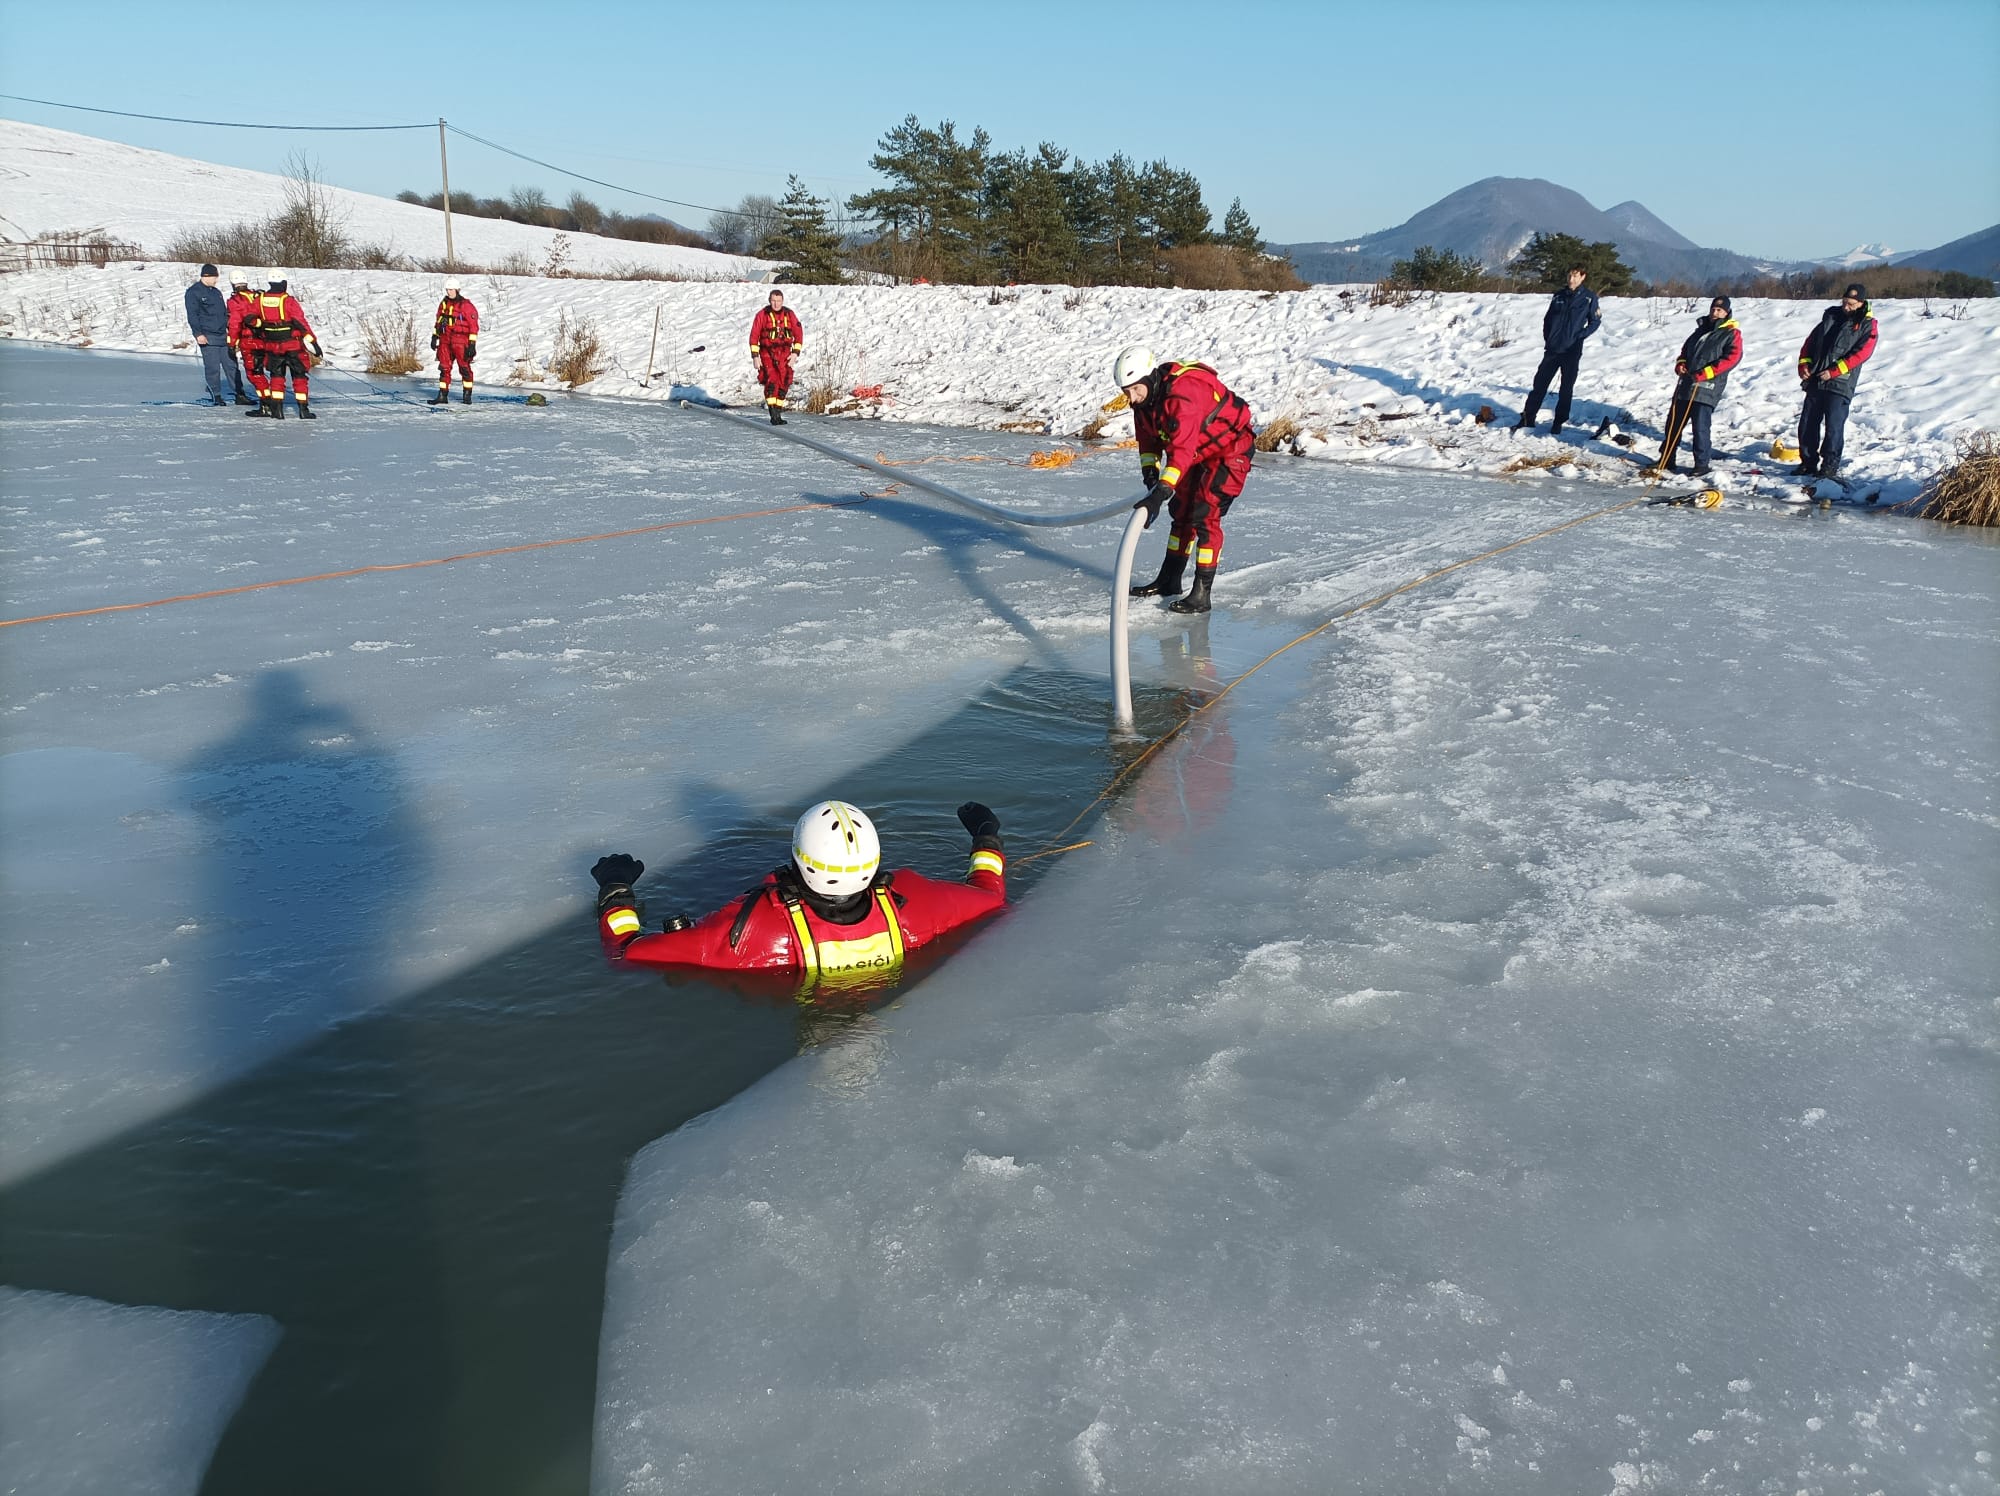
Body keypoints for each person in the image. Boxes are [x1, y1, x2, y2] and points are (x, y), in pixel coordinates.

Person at [591, 799, 1006, 994]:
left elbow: (627, 951)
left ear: (799, 857)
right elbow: (989, 895)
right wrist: (985, 834)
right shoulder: (917, 904)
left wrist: (615, 887)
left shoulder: (748, 933)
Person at [1116, 345, 1256, 615]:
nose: (1132, 398)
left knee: (1205, 514)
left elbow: (1181, 452)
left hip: (1230, 451)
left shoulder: (1183, 396)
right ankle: (1169, 579)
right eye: (1126, 393)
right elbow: (1148, 441)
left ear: (1148, 379)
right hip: (1197, 452)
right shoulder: (1145, 402)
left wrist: (1162, 491)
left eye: (1135, 390)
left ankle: (1202, 594)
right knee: (1181, 512)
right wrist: (1150, 473)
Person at [1794, 282, 1879, 480]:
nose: (1846, 307)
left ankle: (1829, 467)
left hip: (1840, 384)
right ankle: (1807, 463)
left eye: (1850, 304)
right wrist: (1804, 365)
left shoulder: (1868, 325)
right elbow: (1809, 343)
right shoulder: (1830, 318)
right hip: (1816, 380)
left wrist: (1834, 371)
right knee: (1807, 424)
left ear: (1861, 303)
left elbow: (1861, 354)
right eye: (1844, 302)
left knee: (1833, 427)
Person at [1651, 295, 1742, 478]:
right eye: (1713, 309)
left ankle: (1701, 464)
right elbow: (1685, 351)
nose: (1715, 313)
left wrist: (1706, 373)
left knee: (1700, 427)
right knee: (1673, 424)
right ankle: (1667, 458)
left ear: (1726, 313)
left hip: (1707, 387)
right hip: (1686, 383)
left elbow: (1731, 359)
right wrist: (1681, 364)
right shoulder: (1699, 331)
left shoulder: (1731, 334)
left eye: (1719, 310)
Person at [1514, 265, 1602, 437]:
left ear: (1583, 277)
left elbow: (1595, 322)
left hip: (1572, 350)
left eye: (1575, 276)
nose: (1571, 280)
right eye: (1569, 276)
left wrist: (1579, 336)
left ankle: (1558, 422)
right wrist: (1549, 337)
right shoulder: (1558, 296)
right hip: (1553, 349)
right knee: (1539, 385)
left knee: (1566, 388)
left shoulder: (1589, 298)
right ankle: (1528, 418)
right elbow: (1547, 319)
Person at [242, 270, 323, 420]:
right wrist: (313, 342)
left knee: (276, 377)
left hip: (272, 346)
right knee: (299, 377)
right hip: (293, 346)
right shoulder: (288, 301)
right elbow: (300, 323)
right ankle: (303, 411)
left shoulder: (259, 300)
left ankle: (277, 411)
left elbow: (248, 318)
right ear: (284, 283)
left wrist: (261, 325)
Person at [749, 288, 803, 424]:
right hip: (767, 355)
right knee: (771, 382)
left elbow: (798, 335)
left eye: (778, 301)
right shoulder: (762, 315)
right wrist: (755, 357)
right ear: (769, 301)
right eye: (773, 301)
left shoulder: (789, 315)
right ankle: (773, 414)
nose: (776, 304)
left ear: (782, 301)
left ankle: (778, 413)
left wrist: (795, 354)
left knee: (784, 383)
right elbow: (754, 336)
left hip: (785, 356)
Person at [183, 264, 235, 407]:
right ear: (206, 276)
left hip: (222, 335)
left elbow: (223, 313)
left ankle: (239, 393)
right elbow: (192, 315)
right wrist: (198, 333)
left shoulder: (216, 292)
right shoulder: (193, 292)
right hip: (207, 336)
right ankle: (216, 394)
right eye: (215, 277)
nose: (216, 280)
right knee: (213, 368)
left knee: (231, 365)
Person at [429, 277, 479, 406]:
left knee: (464, 368)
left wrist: (472, 344)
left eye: (451, 289)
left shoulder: (466, 306)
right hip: (445, 339)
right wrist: (435, 336)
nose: (449, 292)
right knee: (444, 368)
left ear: (457, 290)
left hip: (461, 341)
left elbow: (473, 326)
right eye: (447, 289)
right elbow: (439, 320)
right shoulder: (444, 304)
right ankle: (442, 395)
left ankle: (467, 395)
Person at [223, 269, 257, 405]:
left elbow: (234, 324)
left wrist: (232, 344)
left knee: (254, 372)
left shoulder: (235, 301)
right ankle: (273, 398)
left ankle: (267, 403)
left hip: (248, 340)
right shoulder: (257, 296)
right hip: (266, 339)